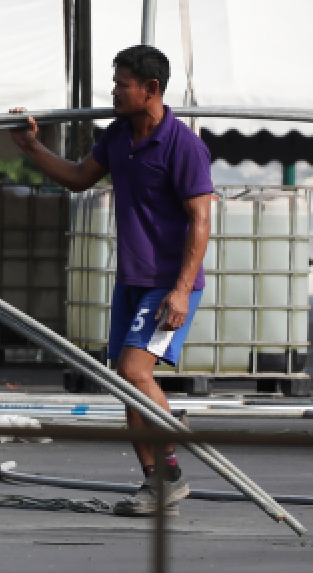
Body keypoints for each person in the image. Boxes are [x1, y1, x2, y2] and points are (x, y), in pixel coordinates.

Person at [11, 44, 213, 517]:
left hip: (170, 283)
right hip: (131, 281)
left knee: (135, 373)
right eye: (115, 83)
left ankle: (172, 467)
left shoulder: (183, 144)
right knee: (125, 383)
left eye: (122, 85)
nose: (114, 93)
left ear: (151, 90)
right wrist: (32, 147)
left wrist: (182, 289)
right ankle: (155, 483)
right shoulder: (120, 135)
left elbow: (200, 220)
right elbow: (80, 177)